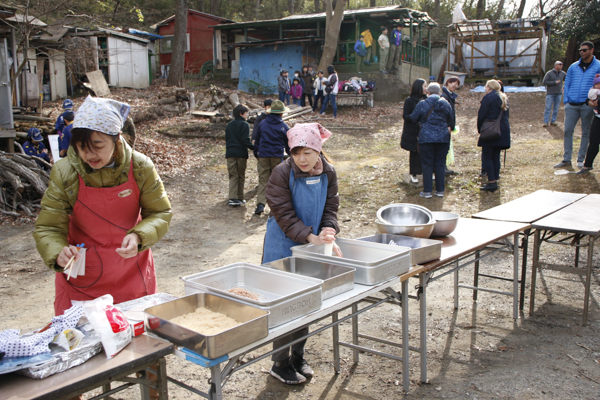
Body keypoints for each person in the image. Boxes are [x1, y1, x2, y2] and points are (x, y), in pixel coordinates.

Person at [33, 95, 172, 316]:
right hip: (82, 276)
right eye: (81, 147)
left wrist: (139, 236)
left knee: (135, 339)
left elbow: (160, 212)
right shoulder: (65, 172)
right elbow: (49, 227)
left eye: (97, 145)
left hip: (131, 270)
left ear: (116, 139)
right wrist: (58, 252)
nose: (88, 154)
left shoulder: (140, 166)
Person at [264, 123, 341, 385]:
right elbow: (284, 214)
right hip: (282, 244)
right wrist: (311, 237)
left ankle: (298, 355)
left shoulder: (328, 173)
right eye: (296, 153)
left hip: (313, 243)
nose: (302, 159)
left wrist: (329, 230)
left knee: (306, 301)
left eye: (307, 152)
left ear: (318, 150)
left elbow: (331, 207)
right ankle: (280, 362)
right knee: (284, 303)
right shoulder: (280, 173)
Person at [555, 41, 600, 169]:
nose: (582, 52)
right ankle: (566, 159)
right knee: (568, 131)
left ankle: (581, 160)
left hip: (588, 105)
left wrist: (595, 102)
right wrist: (567, 100)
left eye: (585, 50)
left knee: (586, 132)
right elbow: (567, 83)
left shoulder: (598, 66)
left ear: (592, 50)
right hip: (572, 104)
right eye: (580, 50)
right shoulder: (573, 67)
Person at [409, 83, 453, 198]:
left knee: (427, 165)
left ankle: (427, 191)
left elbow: (413, 118)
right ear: (439, 92)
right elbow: (451, 118)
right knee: (440, 164)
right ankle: (440, 190)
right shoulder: (445, 103)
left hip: (426, 138)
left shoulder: (423, 104)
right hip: (443, 138)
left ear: (428, 92)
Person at [254, 100, 291, 215]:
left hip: (263, 155)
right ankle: (274, 207)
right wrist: (291, 155)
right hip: (277, 155)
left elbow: (257, 140)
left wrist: (257, 153)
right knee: (277, 181)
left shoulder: (263, 123)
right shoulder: (284, 126)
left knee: (263, 180)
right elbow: (288, 143)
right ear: (281, 113)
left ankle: (260, 203)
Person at [477, 80, 511, 192]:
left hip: (490, 130)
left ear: (489, 88)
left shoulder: (488, 98)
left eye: (485, 86)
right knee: (496, 156)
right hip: (502, 130)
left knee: (487, 156)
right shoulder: (504, 98)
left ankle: (491, 182)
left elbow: (481, 115)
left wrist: (480, 129)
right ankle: (495, 179)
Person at [226, 104, 254, 206]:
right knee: (240, 175)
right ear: (241, 113)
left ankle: (232, 197)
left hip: (230, 153)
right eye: (246, 113)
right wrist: (254, 147)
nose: (247, 115)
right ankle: (239, 197)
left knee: (233, 175)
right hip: (241, 153)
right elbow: (245, 140)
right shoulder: (244, 125)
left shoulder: (229, 125)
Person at [401, 79, 427, 184]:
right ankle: (414, 173)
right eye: (424, 86)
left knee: (425, 152)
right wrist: (414, 117)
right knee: (415, 153)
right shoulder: (409, 100)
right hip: (413, 131)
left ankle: (426, 172)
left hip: (424, 131)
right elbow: (405, 115)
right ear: (418, 88)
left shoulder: (427, 99)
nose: (426, 88)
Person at [578, 75, 600, 174]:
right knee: (593, 142)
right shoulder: (593, 90)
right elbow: (587, 100)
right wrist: (590, 102)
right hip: (597, 118)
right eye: (597, 84)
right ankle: (587, 165)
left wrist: (597, 102)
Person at [441, 77, 460, 175]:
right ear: (448, 82)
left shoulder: (450, 95)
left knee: (447, 147)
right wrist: (448, 125)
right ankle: (442, 167)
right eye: (454, 84)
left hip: (449, 126)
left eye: (457, 85)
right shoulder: (444, 95)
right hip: (445, 127)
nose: (455, 86)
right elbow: (445, 113)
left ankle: (444, 166)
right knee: (444, 148)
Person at [543, 61, 567, 127]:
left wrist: (564, 86)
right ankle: (545, 122)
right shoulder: (549, 73)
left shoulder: (563, 73)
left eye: (561, 65)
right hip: (550, 93)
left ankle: (553, 121)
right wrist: (554, 82)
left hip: (559, 93)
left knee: (556, 108)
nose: (561, 66)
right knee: (548, 108)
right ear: (555, 65)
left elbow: (568, 79)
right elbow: (545, 82)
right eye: (559, 65)